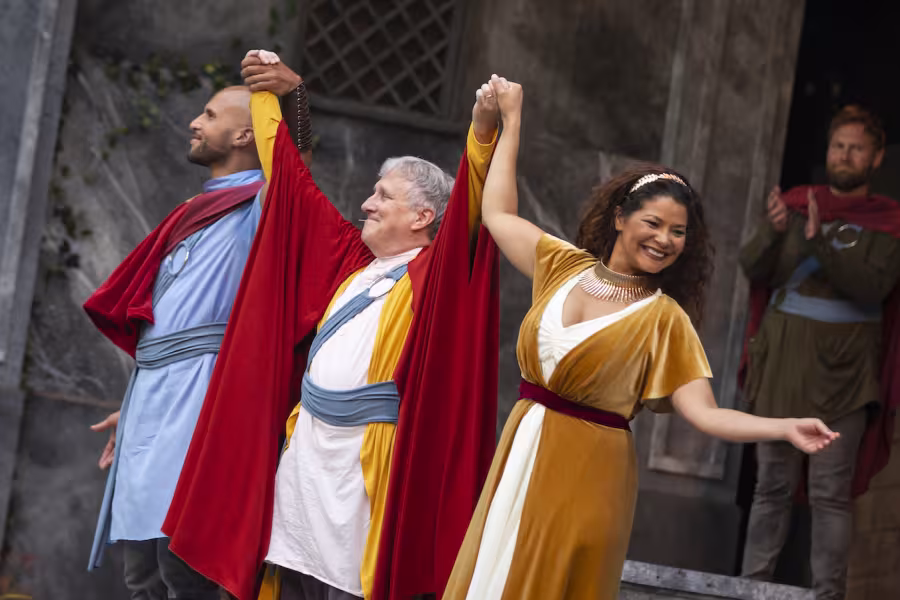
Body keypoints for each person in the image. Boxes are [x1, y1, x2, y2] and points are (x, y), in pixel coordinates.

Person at [441, 75, 839, 600]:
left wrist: (784, 427)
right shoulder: (561, 266)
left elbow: (706, 414)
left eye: (678, 232)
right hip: (523, 442)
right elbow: (497, 214)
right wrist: (506, 122)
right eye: (653, 223)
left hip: (591, 471)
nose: (664, 239)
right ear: (620, 218)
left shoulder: (663, 319)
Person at [159, 51, 501, 600]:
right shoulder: (352, 263)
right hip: (306, 460)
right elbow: (293, 186)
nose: (367, 203)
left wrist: (482, 132)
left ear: (423, 217)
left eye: (383, 196)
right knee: (291, 579)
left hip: (365, 469)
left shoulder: (435, 277)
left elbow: (470, 209)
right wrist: (289, 98)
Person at [84, 85, 298, 599]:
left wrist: (293, 98)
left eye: (209, 114)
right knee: (141, 575)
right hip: (151, 396)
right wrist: (132, 405)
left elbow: (295, 177)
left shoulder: (261, 204)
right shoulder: (194, 208)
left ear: (245, 135)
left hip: (204, 396)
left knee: (183, 567)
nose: (193, 123)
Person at [739, 105, 900, 599]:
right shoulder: (794, 205)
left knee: (831, 495)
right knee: (770, 488)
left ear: (876, 158)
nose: (844, 155)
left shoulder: (887, 222)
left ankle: (827, 594)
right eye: (838, 146)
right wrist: (772, 231)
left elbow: (871, 287)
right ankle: (751, 589)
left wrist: (818, 243)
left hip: (846, 377)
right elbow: (753, 268)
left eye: (856, 148)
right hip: (783, 368)